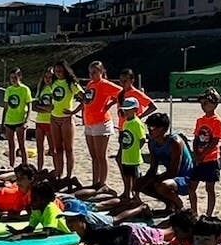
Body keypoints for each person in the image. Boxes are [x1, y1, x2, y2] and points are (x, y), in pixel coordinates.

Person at [79, 61, 123, 191]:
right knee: (93, 156)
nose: (92, 75)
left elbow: (121, 93)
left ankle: (102, 183)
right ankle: (95, 181)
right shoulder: (90, 84)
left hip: (101, 122)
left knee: (101, 155)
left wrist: (110, 104)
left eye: (95, 72)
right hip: (89, 122)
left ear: (101, 72)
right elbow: (87, 101)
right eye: (90, 72)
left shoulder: (104, 84)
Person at [137, 111, 193, 207]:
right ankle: (170, 204)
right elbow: (153, 168)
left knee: (162, 185)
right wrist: (142, 182)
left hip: (186, 179)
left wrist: (154, 180)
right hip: (171, 177)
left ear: (162, 129)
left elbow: (174, 171)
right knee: (140, 184)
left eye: (152, 128)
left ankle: (179, 205)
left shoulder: (174, 142)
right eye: (148, 128)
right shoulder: (152, 143)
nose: (149, 131)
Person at [189, 89, 221, 216]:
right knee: (192, 187)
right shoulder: (200, 120)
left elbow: (215, 141)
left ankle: (209, 214)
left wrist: (203, 155)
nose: (204, 106)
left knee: (210, 188)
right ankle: (194, 212)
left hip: (211, 159)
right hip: (200, 158)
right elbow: (196, 137)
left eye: (206, 103)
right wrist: (196, 154)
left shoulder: (217, 121)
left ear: (214, 104)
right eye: (202, 103)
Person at [47, 61, 81, 182]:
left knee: (69, 149)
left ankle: (69, 175)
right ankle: (59, 173)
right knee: (57, 148)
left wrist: (74, 111)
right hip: (54, 117)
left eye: (60, 71)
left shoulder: (71, 83)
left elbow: (85, 98)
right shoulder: (54, 83)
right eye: (56, 71)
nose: (58, 73)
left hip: (67, 118)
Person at [0, 68, 32, 167]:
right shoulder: (9, 90)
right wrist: (2, 122)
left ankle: (25, 166)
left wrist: (26, 120)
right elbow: (5, 107)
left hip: (20, 120)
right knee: (11, 146)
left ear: (19, 77)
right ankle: (11, 166)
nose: (13, 80)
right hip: (9, 120)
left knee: (22, 145)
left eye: (15, 77)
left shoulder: (24, 89)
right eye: (11, 78)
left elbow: (29, 105)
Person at [117, 102, 147, 206]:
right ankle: (127, 193)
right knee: (127, 176)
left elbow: (142, 139)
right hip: (126, 156)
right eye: (124, 110)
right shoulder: (125, 123)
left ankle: (136, 196)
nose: (126, 112)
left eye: (128, 110)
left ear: (135, 110)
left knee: (135, 178)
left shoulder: (137, 123)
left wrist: (136, 148)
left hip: (134, 157)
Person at [32, 65, 56, 171]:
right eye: (46, 77)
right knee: (39, 148)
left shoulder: (54, 89)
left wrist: (40, 107)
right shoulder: (41, 88)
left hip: (51, 122)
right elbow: (34, 107)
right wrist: (44, 108)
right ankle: (39, 169)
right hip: (40, 121)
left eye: (50, 77)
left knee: (53, 149)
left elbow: (52, 108)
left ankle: (57, 170)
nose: (47, 79)